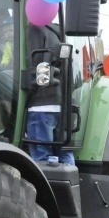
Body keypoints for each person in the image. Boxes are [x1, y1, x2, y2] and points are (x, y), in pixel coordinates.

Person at [25, 22, 75, 165]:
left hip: (40, 104)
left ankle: (45, 186)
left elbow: (30, 63)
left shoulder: (34, 31)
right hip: (61, 103)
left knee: (42, 158)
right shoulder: (58, 34)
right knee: (64, 154)